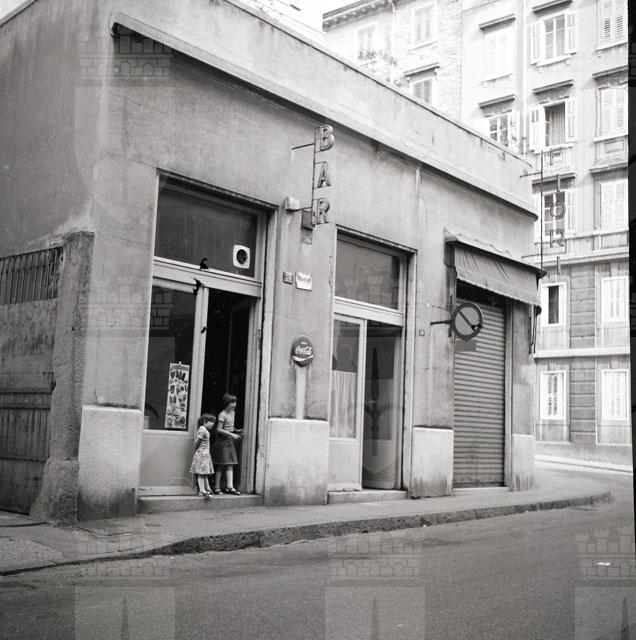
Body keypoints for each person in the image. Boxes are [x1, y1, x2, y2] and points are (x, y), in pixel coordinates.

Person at [211, 393, 242, 495]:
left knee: (230, 463)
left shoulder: (233, 413)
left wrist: (236, 430)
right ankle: (217, 487)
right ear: (226, 403)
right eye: (232, 402)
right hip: (222, 441)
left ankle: (230, 486)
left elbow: (230, 426)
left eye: (235, 402)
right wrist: (231, 434)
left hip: (229, 441)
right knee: (220, 464)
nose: (234, 404)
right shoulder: (222, 414)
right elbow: (219, 429)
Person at [189, 414, 215, 498]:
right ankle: (202, 490)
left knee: (204, 473)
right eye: (211, 421)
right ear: (204, 421)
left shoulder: (205, 430)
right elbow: (197, 441)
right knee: (201, 473)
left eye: (213, 422)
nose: (212, 424)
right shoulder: (202, 430)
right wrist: (195, 450)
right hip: (202, 454)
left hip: (205, 454)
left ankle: (207, 488)